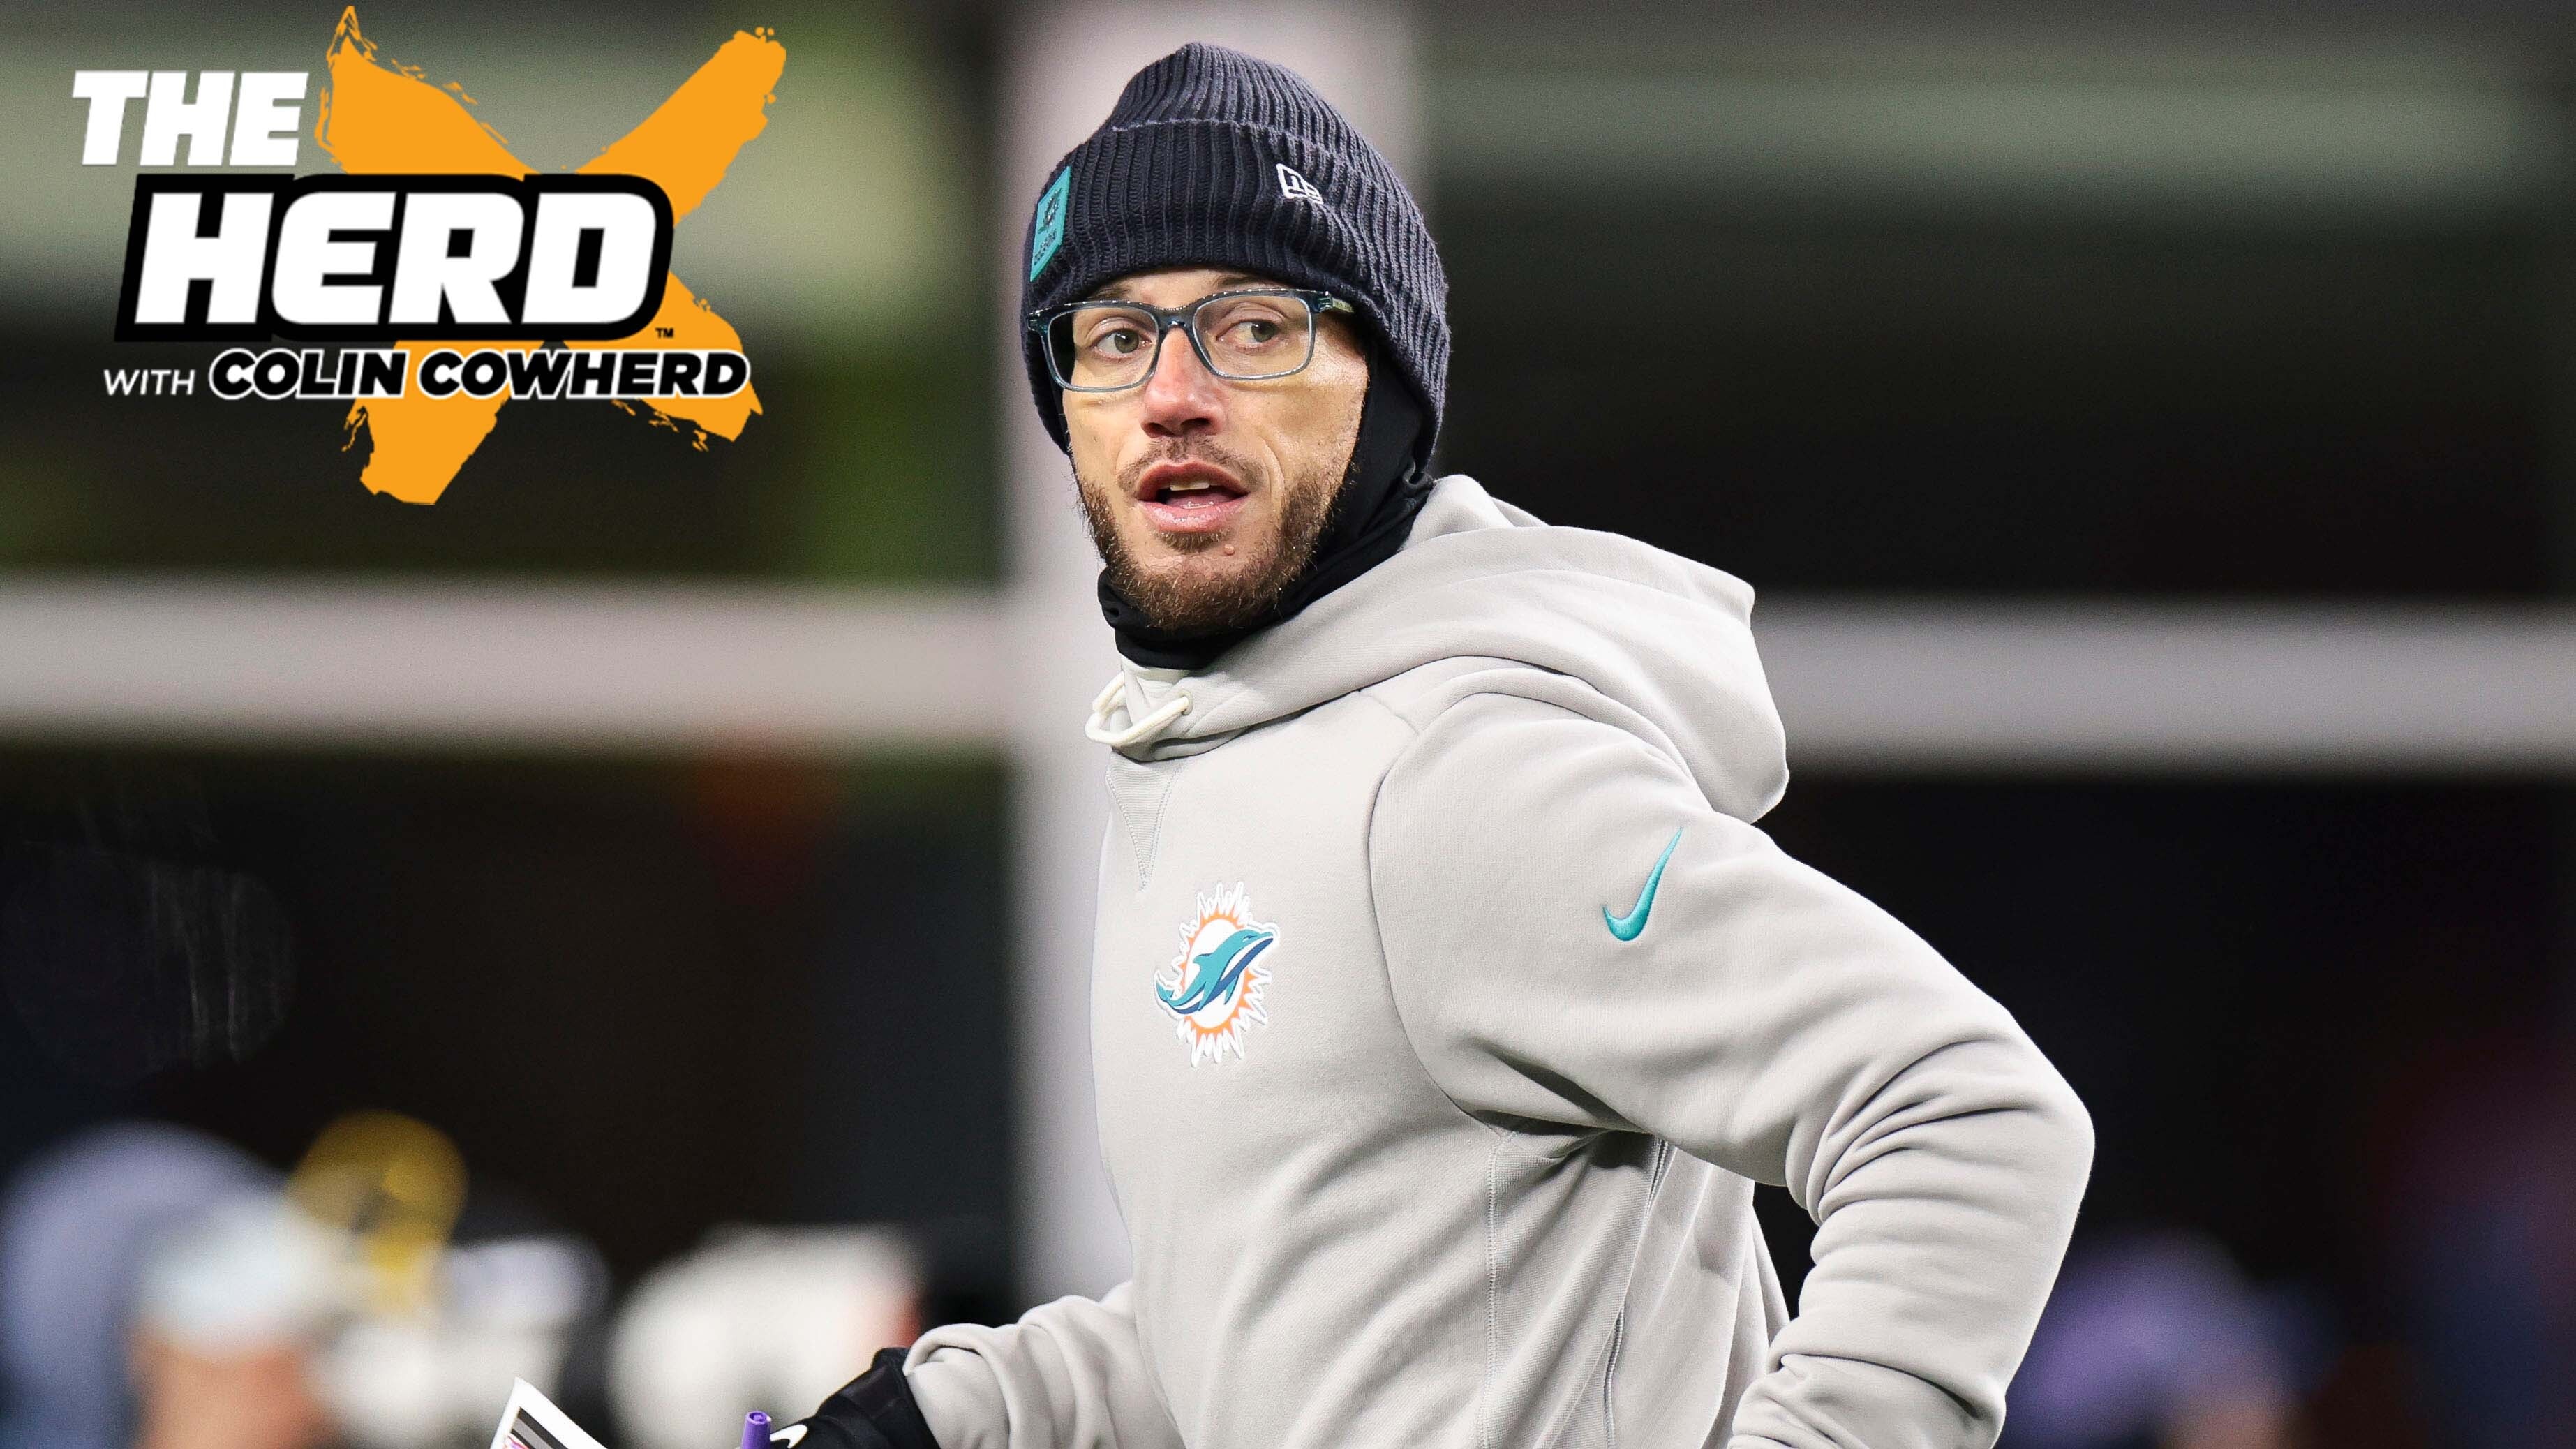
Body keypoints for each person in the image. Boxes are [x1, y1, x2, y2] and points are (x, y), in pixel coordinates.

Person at [779, 41, 2094, 1449]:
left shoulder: (1464, 772)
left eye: (1255, 327)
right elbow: (1286, 1329)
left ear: (1387, 388)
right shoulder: (1207, 770)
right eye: (1111, 338)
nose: (1171, 392)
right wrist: (958, 1414)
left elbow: (1962, 1111)